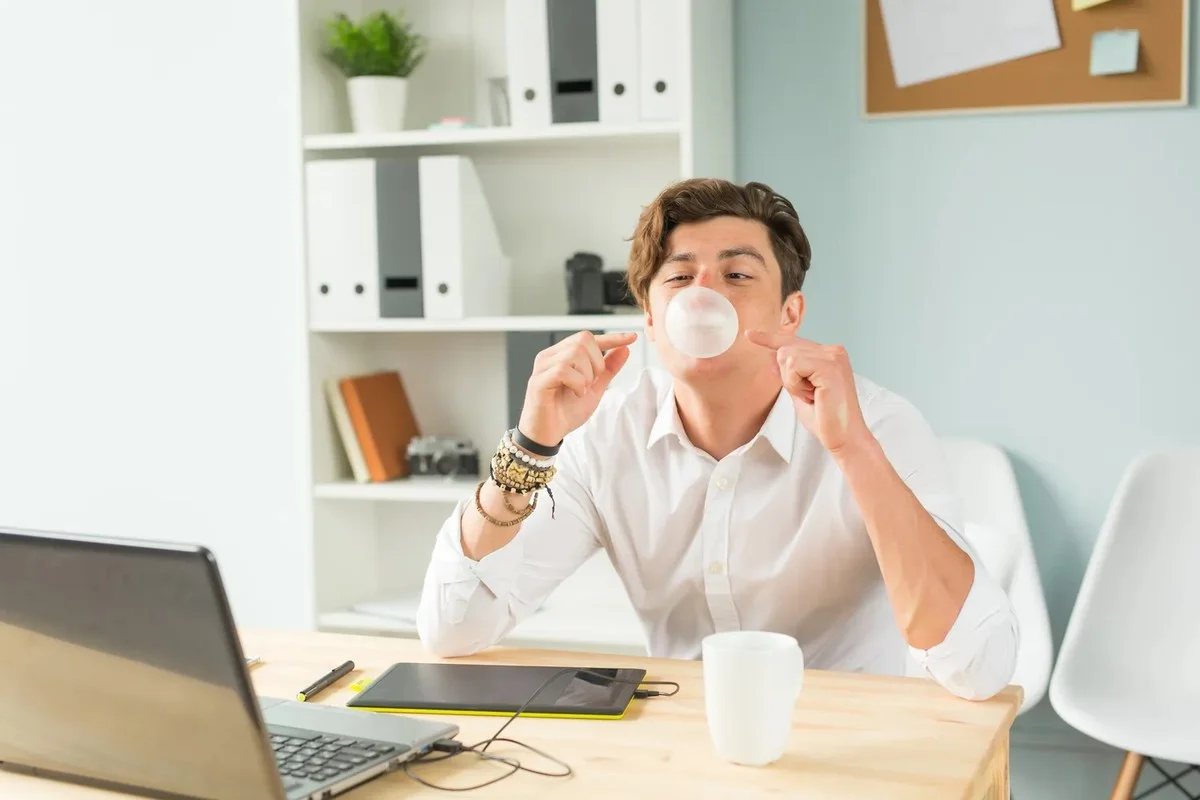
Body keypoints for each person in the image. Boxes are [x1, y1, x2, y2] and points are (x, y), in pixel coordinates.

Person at [416, 178, 1018, 701]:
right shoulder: (604, 433)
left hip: (849, 743)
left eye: (736, 275)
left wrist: (851, 452)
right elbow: (453, 629)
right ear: (651, 317)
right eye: (679, 277)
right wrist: (530, 446)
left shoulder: (875, 425)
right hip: (687, 748)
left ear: (790, 313)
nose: (703, 295)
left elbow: (979, 667)